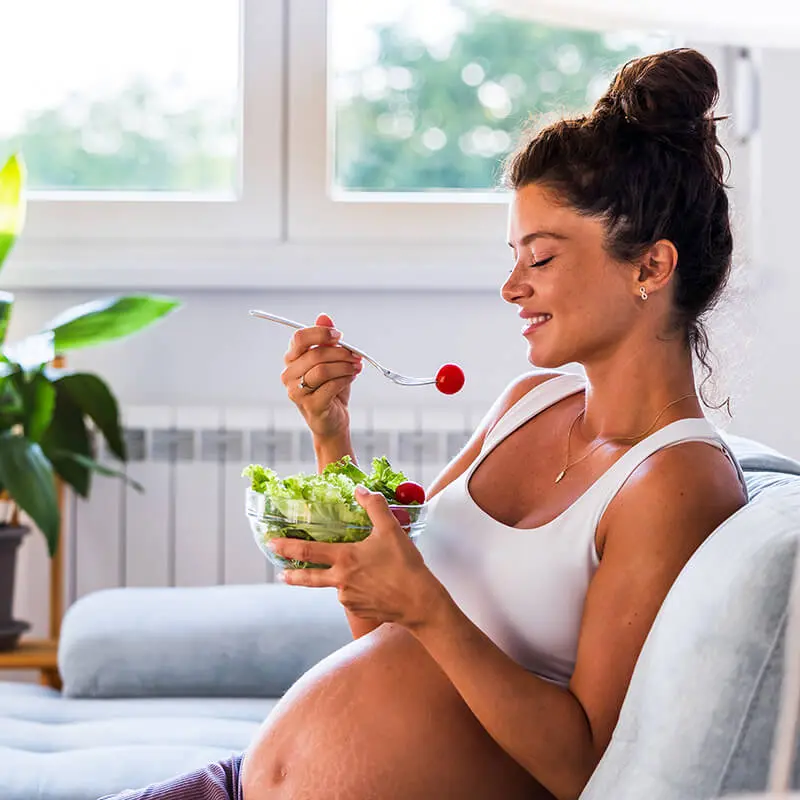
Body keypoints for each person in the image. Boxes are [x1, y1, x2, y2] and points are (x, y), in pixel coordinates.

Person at [103, 47, 748, 800]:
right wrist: (331, 435)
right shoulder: (526, 404)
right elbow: (384, 639)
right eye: (513, 256)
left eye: (539, 258)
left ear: (650, 267)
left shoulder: (676, 481)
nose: (512, 287)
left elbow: (583, 770)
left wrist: (428, 608)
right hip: (234, 782)